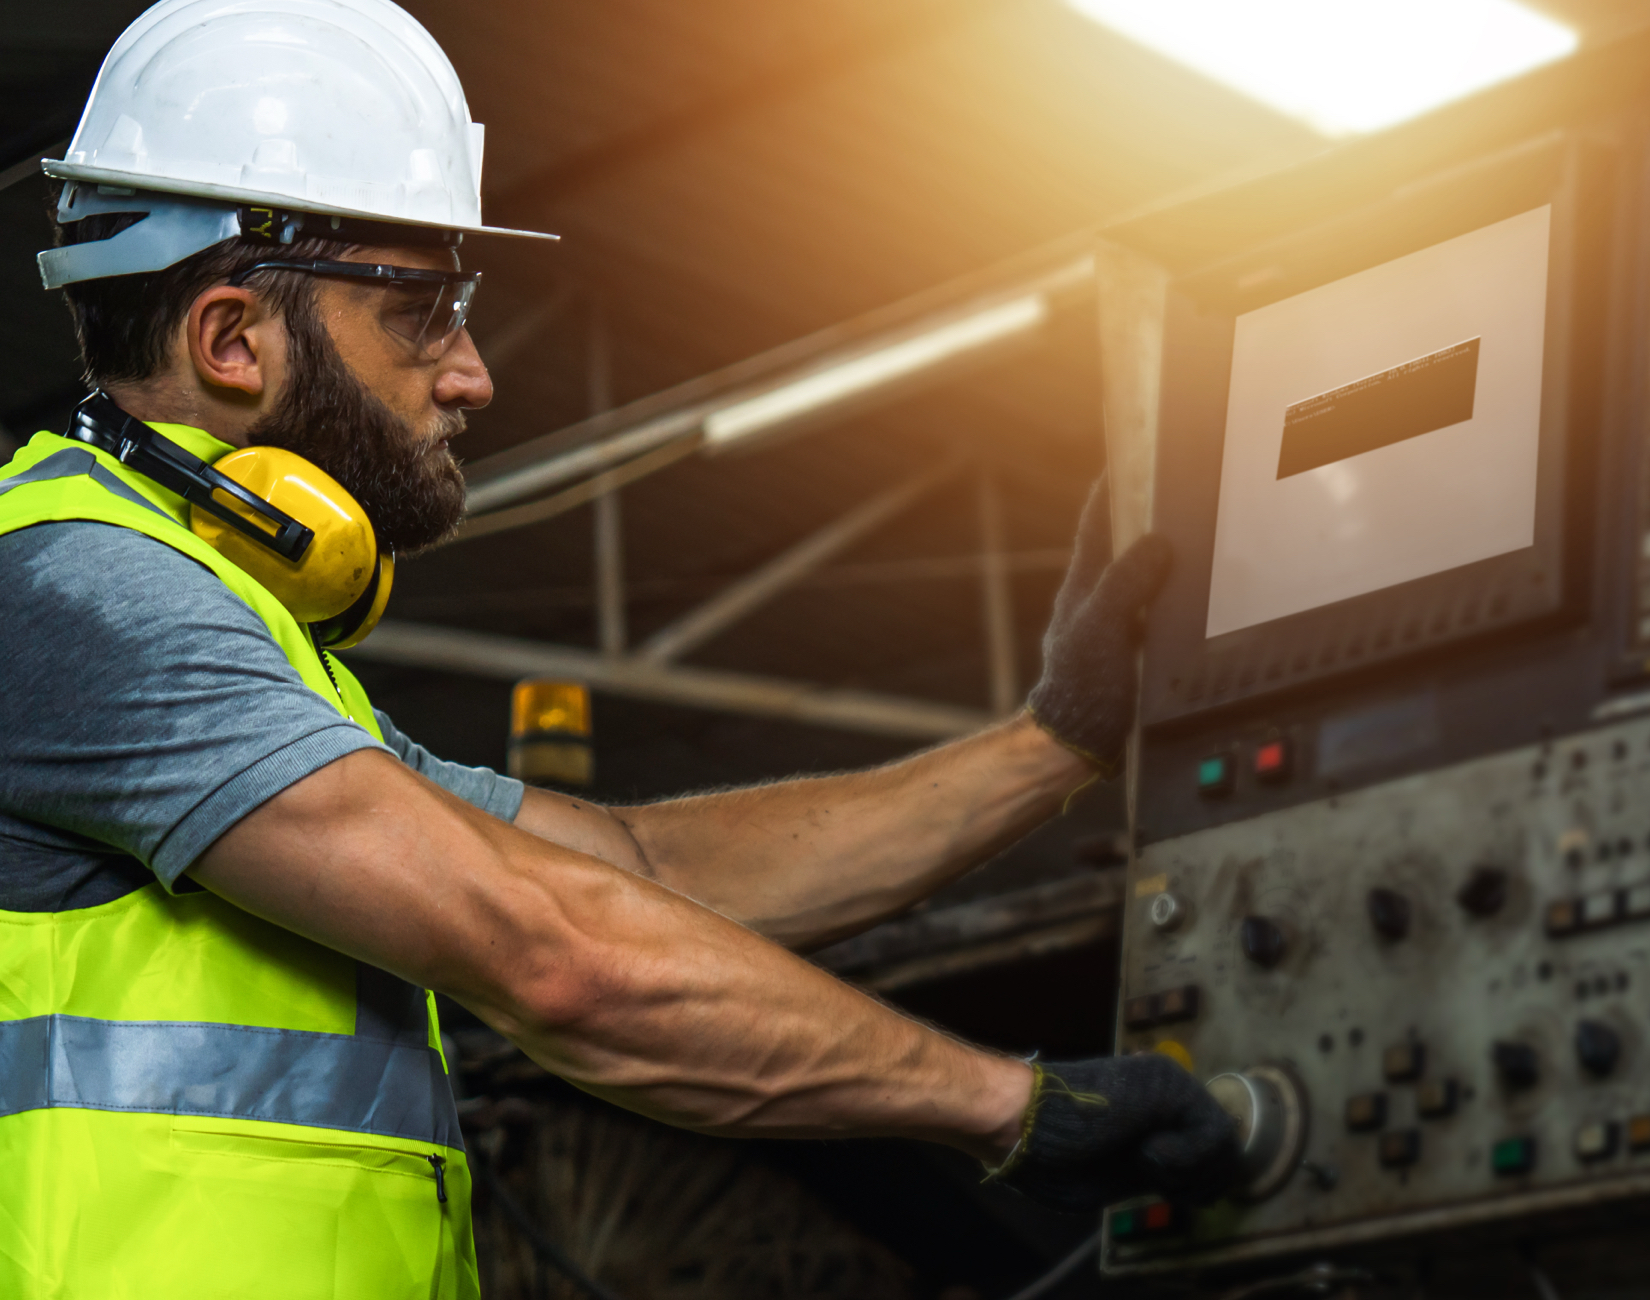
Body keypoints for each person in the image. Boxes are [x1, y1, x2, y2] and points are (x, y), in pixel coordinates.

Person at [0, 0, 1239, 1295]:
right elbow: (565, 956)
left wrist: (1053, 745)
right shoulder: (80, 595)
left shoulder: (227, 632)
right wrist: (1011, 1109)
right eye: (421, 312)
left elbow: (638, 873)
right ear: (231, 340)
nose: (471, 373)